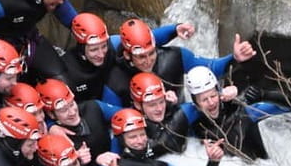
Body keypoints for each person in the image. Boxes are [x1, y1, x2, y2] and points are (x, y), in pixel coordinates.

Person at [105, 18, 256, 105]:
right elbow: (116, 120)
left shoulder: (174, 57)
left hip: (180, 122)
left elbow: (211, 68)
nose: (148, 61)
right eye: (141, 57)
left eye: (151, 53)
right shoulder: (115, 80)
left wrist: (234, 58)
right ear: (127, 55)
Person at [35, 78, 120, 166]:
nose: (72, 112)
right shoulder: (52, 141)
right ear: (51, 114)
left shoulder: (93, 107)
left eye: (72, 104)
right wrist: (76, 162)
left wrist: (114, 152)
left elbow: (128, 115)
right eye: (63, 110)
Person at [129, 71, 198, 156]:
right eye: (152, 105)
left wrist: (173, 108)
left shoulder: (171, 108)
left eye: (161, 101)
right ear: (137, 105)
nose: (159, 108)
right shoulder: (129, 128)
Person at [60, 12, 121, 105]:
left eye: (104, 46)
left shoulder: (111, 50)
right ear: (82, 50)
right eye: (94, 50)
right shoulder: (66, 70)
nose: (101, 54)